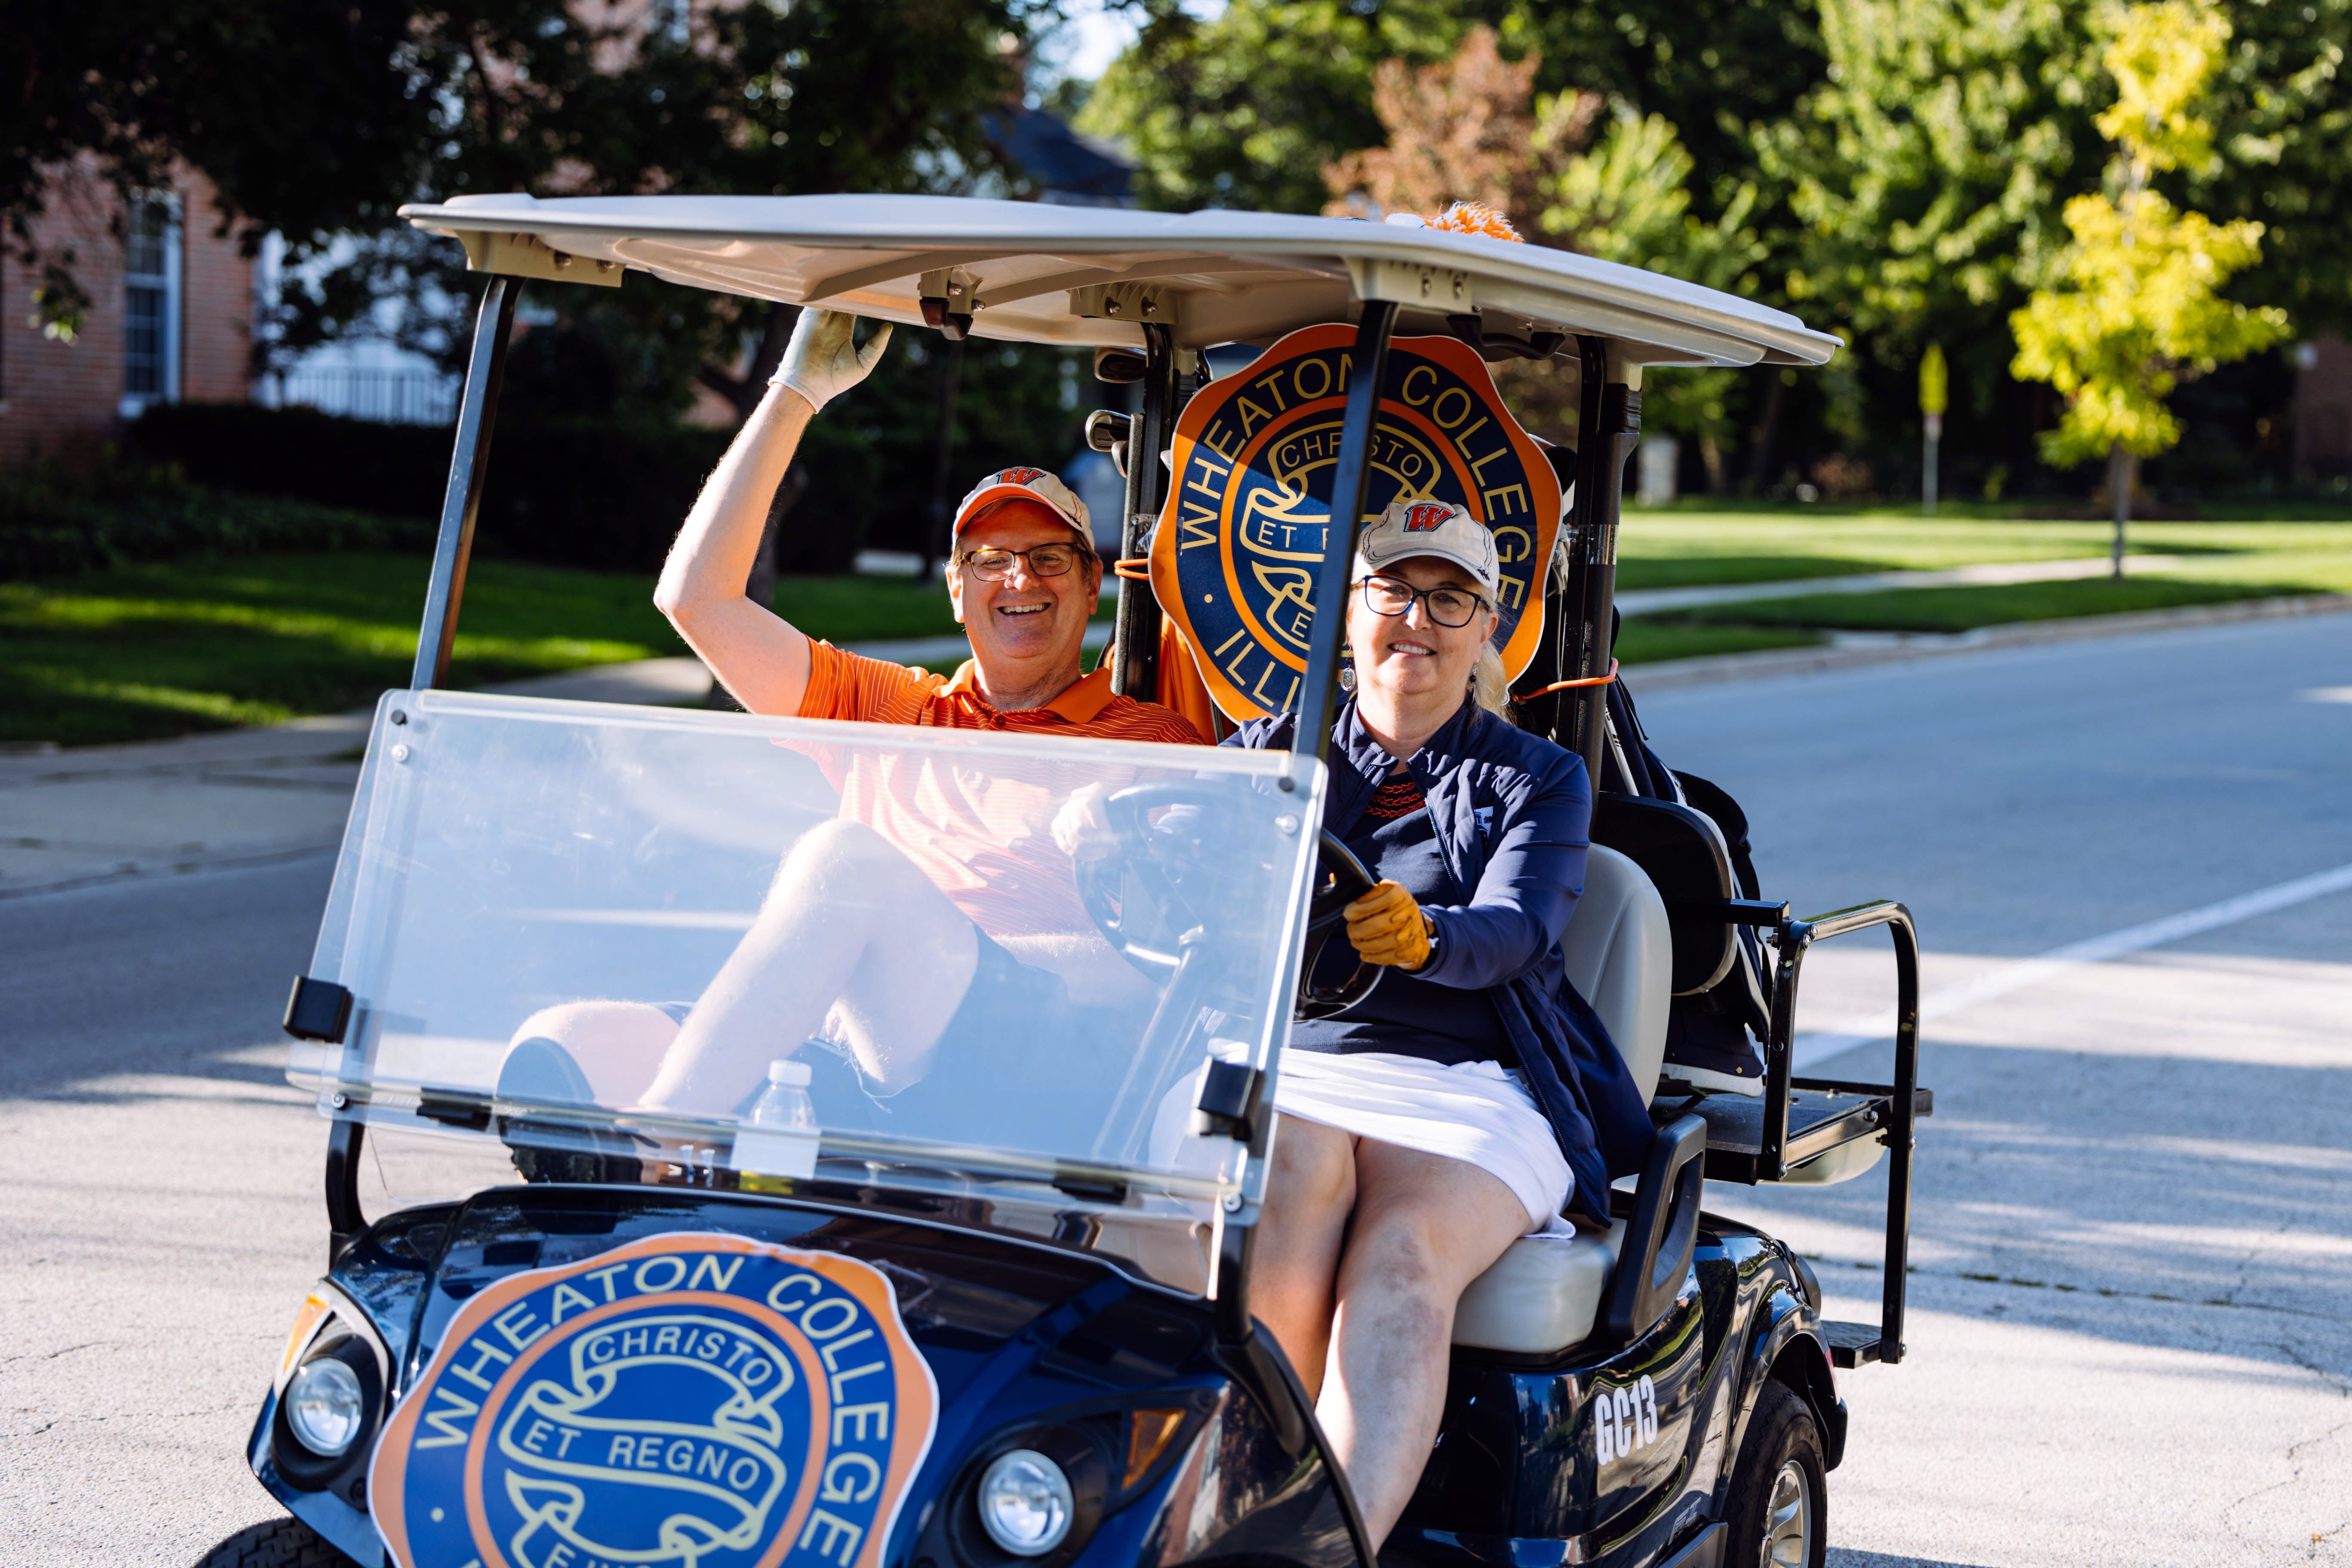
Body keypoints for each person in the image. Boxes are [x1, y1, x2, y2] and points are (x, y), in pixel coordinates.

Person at [499, 307, 1205, 1130]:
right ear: (956, 590)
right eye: (990, 561)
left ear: (1093, 589)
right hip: (863, 1044)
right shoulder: (897, 709)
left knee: (847, 862)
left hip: (1032, 1059)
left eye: (1051, 559)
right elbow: (695, 599)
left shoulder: (1154, 742)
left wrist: (902, 947)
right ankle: (646, 1236)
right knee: (565, 1046)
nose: (1022, 580)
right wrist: (793, 393)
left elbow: (1176, 970)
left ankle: (665, 1131)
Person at [1204, 499, 1650, 1548]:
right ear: (1350, 612)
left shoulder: (1538, 778)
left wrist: (1428, 940)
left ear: (1486, 625)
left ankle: (1332, 1545)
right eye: (1394, 592)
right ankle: (1235, 1513)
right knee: (1289, 1187)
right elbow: (1201, 869)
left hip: (1471, 1084)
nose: (1418, 619)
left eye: (1449, 599)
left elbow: (1520, 927)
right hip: (1303, 1068)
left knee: (1403, 1259)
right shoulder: (1273, 753)